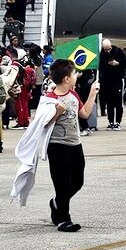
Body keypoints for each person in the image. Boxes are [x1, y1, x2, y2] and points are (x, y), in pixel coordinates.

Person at [46, 59, 98, 232]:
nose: (77, 75)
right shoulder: (49, 98)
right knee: (62, 183)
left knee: (78, 181)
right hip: (57, 146)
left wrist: (92, 93)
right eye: (74, 73)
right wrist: (56, 113)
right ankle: (63, 219)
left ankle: (56, 203)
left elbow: (84, 114)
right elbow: (42, 124)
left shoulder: (73, 95)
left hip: (75, 144)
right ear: (66, 78)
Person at [99, 39, 126, 130]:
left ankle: (118, 122)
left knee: (118, 102)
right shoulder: (102, 54)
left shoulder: (118, 52)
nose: (107, 51)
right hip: (106, 81)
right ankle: (111, 121)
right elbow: (100, 66)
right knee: (109, 102)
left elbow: (125, 64)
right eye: (105, 49)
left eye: (108, 49)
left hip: (117, 79)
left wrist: (117, 63)